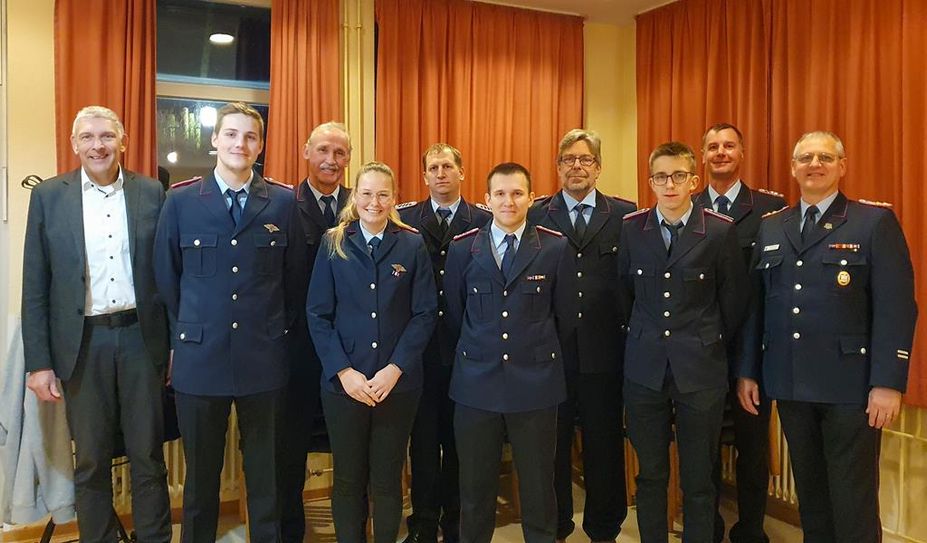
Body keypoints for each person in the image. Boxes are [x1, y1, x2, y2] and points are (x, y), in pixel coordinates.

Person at [737, 131, 917, 543]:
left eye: (825, 157)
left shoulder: (872, 222)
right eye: (805, 158)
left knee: (852, 499)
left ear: (842, 166)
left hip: (849, 387)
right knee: (812, 497)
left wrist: (888, 382)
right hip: (791, 381)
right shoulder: (772, 227)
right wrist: (748, 371)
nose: (814, 164)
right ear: (793, 168)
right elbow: (757, 307)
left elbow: (896, 306)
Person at [154, 101, 304, 542]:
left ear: (261, 145)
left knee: (266, 477)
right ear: (215, 140)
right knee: (201, 480)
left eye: (251, 136)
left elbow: (293, 282)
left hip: (264, 356)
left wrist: (276, 330)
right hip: (201, 359)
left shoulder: (281, 201)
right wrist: (184, 337)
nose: (241, 143)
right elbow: (166, 279)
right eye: (232, 134)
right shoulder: (181, 201)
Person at [22, 105, 171, 542]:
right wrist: (39, 362)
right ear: (74, 145)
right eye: (87, 137)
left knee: (148, 455)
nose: (97, 145)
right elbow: (35, 285)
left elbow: (168, 274)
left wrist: (177, 344)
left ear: (122, 142)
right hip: (81, 345)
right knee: (90, 459)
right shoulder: (50, 196)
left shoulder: (151, 193)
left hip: (142, 341)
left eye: (106, 136)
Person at [618, 141, 748, 543]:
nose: (669, 184)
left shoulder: (719, 231)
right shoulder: (632, 228)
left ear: (694, 180)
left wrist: (703, 342)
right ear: (651, 181)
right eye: (660, 176)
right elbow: (625, 294)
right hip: (645, 369)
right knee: (651, 474)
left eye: (678, 176)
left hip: (700, 369)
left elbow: (733, 302)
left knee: (698, 478)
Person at [308, 161, 437, 543]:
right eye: (366, 193)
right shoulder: (333, 242)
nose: (374, 202)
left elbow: (425, 313)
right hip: (344, 386)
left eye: (383, 194)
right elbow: (317, 314)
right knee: (348, 479)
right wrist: (344, 373)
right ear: (355, 196)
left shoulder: (411, 243)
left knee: (387, 479)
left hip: (396, 385)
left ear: (394, 198)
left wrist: (394, 369)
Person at [444, 162, 570, 543]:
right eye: (499, 193)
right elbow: (454, 312)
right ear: (486, 199)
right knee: (475, 492)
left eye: (517, 193)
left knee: (538, 491)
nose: (508, 201)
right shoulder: (464, 247)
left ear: (532, 198)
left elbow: (564, 317)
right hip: (476, 386)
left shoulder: (554, 247)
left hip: (535, 386)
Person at [529, 129, 636, 543]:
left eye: (586, 159)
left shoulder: (625, 215)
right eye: (569, 159)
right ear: (557, 167)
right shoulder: (537, 215)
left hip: (604, 352)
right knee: (550, 448)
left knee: (604, 446)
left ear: (598, 167)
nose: (577, 166)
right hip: (549, 352)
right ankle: (555, 526)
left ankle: (604, 528)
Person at [693, 123, 787, 543]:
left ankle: (750, 529)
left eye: (728, 145)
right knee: (704, 445)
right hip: (700, 350)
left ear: (742, 153)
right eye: (712, 146)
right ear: (702, 155)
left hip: (752, 349)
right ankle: (707, 526)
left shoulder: (770, 208)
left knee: (752, 448)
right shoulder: (686, 207)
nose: (720, 152)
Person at [398, 143, 491, 543]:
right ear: (424, 176)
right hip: (418, 351)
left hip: (467, 349)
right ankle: (422, 522)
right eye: (433, 167)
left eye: (448, 166)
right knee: (421, 443)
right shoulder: (402, 219)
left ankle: (455, 523)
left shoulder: (485, 220)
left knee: (460, 444)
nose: (440, 173)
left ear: (462, 172)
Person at [279, 121, 353, 543]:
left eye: (340, 152)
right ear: (306, 152)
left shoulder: (359, 205)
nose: (331, 160)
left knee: (351, 449)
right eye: (323, 150)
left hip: (349, 351)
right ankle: (290, 531)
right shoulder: (285, 204)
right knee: (289, 450)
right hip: (297, 351)